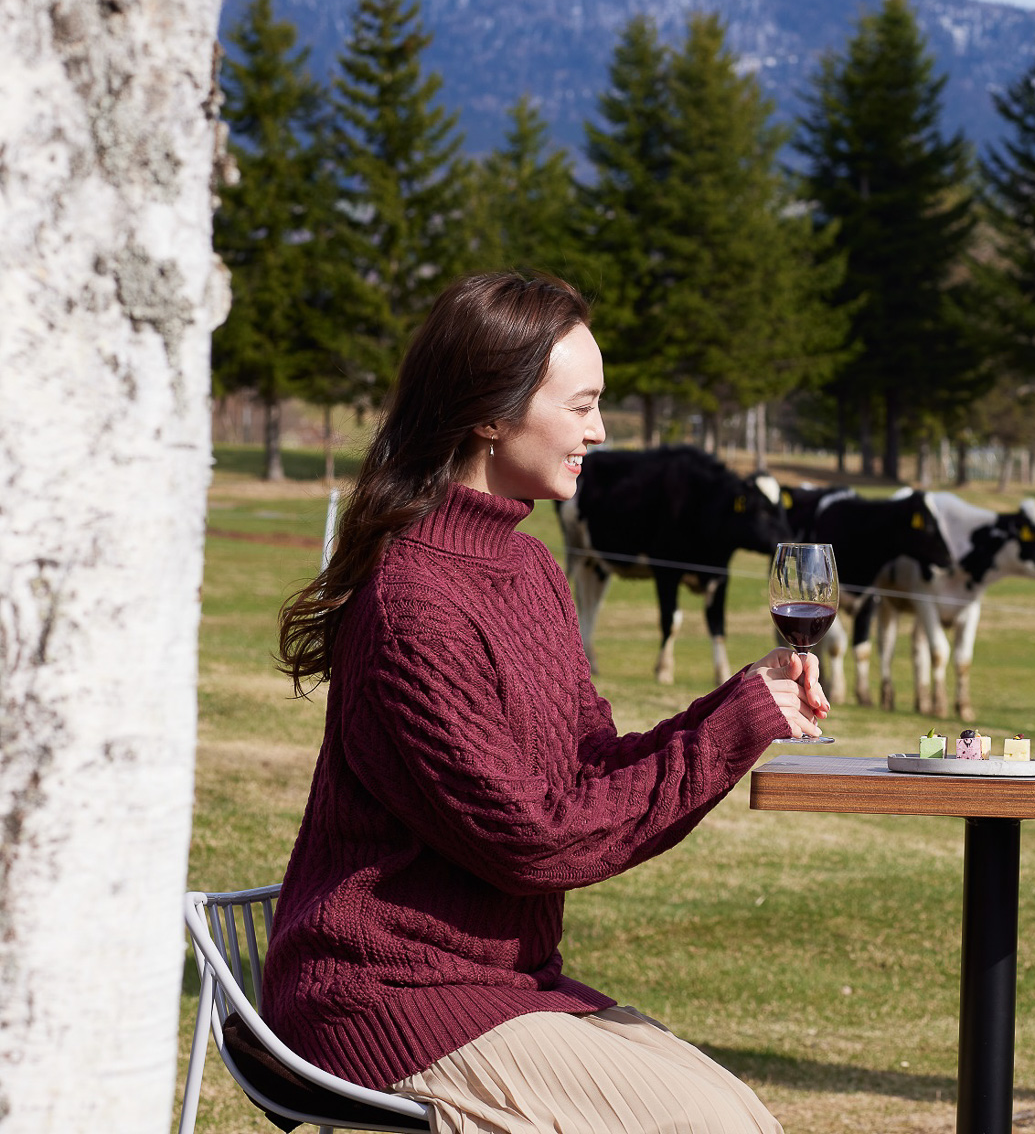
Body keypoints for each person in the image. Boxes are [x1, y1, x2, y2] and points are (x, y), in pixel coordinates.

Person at [265, 271, 827, 1134]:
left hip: (500, 981)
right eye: (582, 405)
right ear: (491, 413)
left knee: (743, 1118)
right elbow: (536, 840)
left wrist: (741, 700)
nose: (600, 432)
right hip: (380, 993)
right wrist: (733, 727)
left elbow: (591, 766)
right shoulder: (415, 602)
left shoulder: (526, 568)